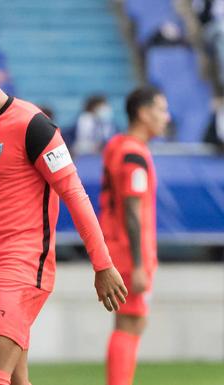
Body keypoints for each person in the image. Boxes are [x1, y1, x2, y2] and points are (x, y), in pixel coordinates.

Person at [0, 38, 128, 385]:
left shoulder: (34, 126)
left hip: (20, 267)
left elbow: (75, 195)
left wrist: (103, 264)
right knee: (15, 379)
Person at [100, 86, 169, 385]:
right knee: (131, 323)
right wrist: (140, 264)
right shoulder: (133, 155)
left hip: (119, 249)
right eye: (161, 110)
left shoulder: (118, 145)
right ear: (143, 113)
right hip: (130, 254)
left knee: (126, 323)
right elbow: (131, 209)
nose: (166, 118)